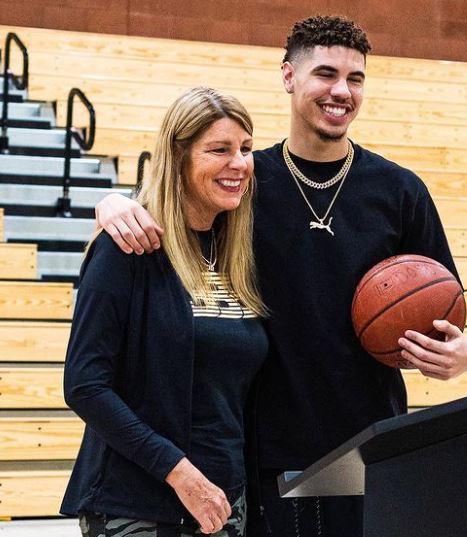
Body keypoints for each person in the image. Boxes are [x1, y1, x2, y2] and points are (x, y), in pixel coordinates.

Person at [94, 16, 467, 537]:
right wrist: (111, 202)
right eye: (325, 74)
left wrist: (464, 355)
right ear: (288, 77)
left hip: (370, 449)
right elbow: (170, 208)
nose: (341, 91)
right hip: (262, 453)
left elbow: (447, 312)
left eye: (355, 78)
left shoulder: (400, 191)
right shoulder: (244, 179)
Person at [61, 87, 269, 537]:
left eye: (246, 149)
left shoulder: (236, 254)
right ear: (178, 156)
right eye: (220, 150)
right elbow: (85, 386)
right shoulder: (127, 248)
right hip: (139, 504)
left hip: (223, 503)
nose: (239, 163)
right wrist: (180, 473)